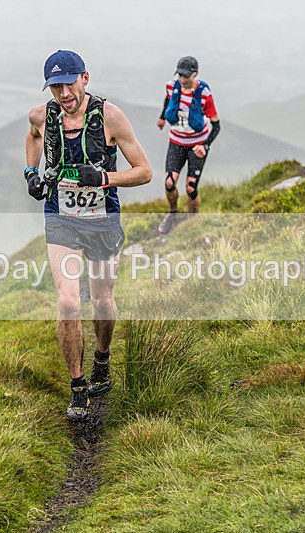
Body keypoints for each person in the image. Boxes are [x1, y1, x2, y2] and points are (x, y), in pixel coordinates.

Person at [25, 50, 152, 420]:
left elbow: (144, 171)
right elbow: (32, 136)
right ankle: (77, 388)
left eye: (68, 84)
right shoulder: (42, 116)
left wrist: (104, 178)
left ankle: (102, 358)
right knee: (67, 301)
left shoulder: (109, 117)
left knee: (101, 299)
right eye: (55, 87)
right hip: (60, 216)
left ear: (85, 78)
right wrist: (31, 173)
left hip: (102, 218)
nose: (63, 94)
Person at [156, 56, 221, 234]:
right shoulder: (172, 86)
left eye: (186, 76)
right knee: (170, 182)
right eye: (180, 75)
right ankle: (173, 214)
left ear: (195, 74)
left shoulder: (204, 94)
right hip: (176, 142)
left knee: (191, 188)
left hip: (197, 144)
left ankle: (193, 221)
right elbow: (168, 100)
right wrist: (162, 117)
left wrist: (205, 145)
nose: (183, 79)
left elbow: (216, 125)